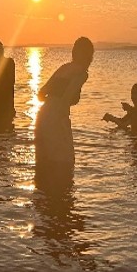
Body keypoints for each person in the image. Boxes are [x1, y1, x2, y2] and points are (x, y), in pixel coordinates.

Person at [34, 36, 95, 175]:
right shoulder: (81, 73)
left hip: (43, 115)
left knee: (44, 164)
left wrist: (55, 96)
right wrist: (61, 117)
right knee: (64, 164)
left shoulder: (63, 68)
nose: (91, 59)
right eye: (90, 54)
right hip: (57, 116)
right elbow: (67, 98)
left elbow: (41, 93)